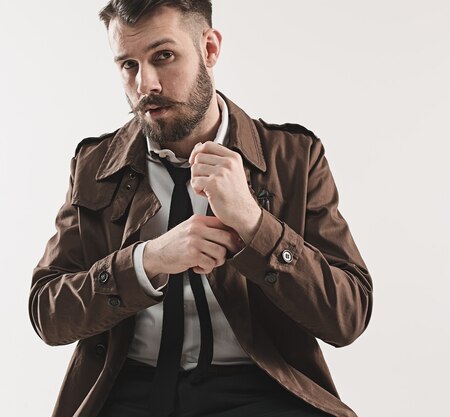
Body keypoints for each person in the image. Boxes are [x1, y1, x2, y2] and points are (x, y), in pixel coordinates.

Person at [28, 1, 373, 416]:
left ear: (209, 49)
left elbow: (347, 318)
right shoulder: (95, 165)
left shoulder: (294, 158)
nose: (145, 84)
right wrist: (147, 260)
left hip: (261, 385)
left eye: (164, 56)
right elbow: (48, 314)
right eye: (128, 66)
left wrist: (253, 222)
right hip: (128, 387)